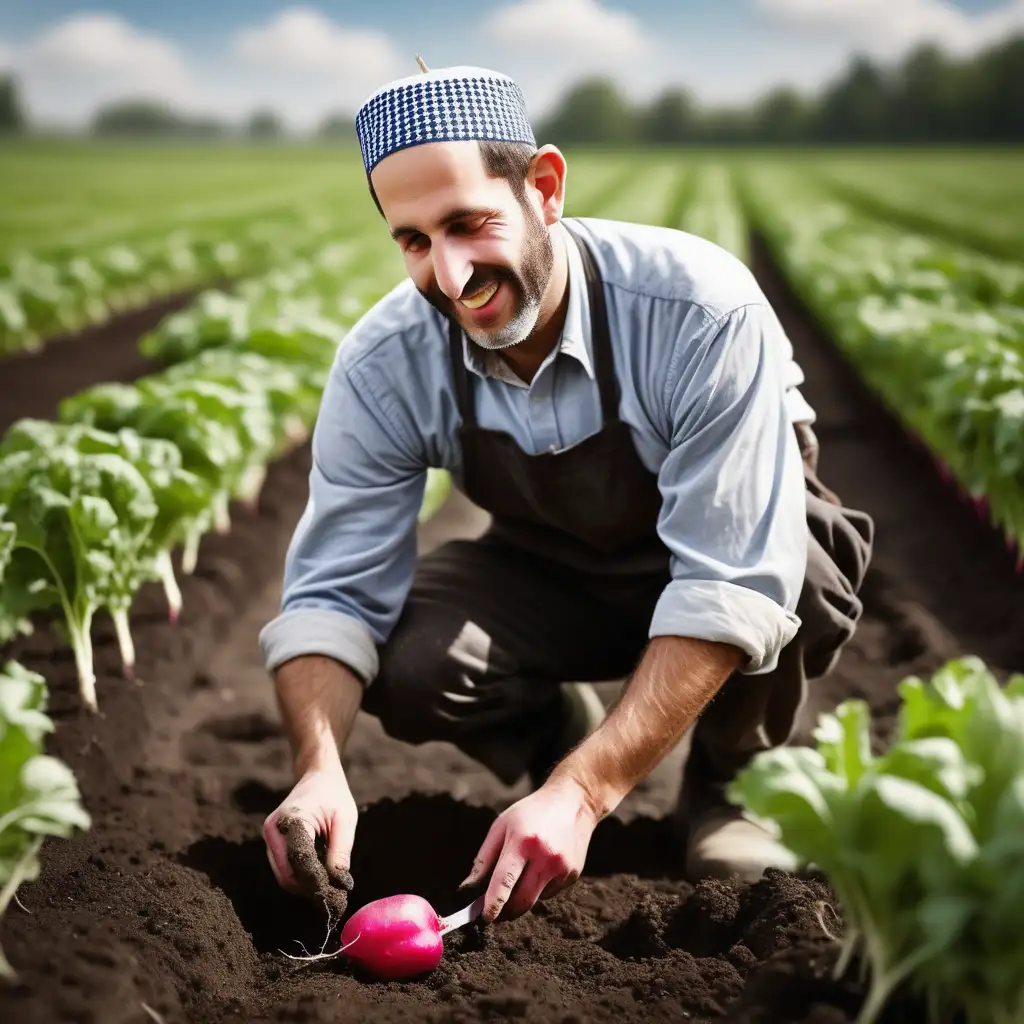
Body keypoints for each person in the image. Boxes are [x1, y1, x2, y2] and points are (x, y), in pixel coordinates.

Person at [259, 63, 873, 924]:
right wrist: (317, 767)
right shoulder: (384, 361)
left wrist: (584, 796)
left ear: (545, 188)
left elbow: (731, 577)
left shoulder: (698, 308)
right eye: (414, 239)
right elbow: (332, 593)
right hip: (551, 573)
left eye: (470, 223)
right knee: (411, 655)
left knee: (799, 566)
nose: (452, 272)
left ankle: (733, 782)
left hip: (714, 563)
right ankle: (558, 731)